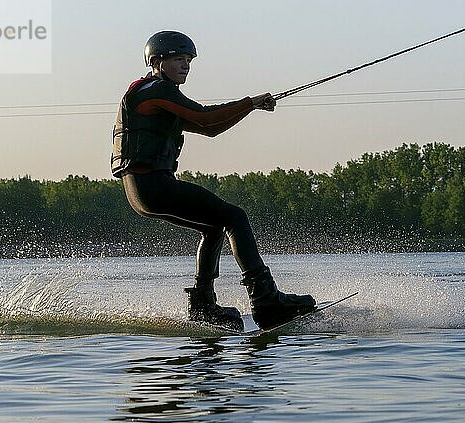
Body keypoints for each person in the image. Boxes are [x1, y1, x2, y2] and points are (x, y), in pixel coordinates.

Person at [111, 30, 316, 331]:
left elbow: (210, 129)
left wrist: (251, 108)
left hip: (142, 191)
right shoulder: (154, 91)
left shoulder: (159, 95)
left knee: (213, 226)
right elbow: (207, 119)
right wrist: (250, 102)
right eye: (178, 59)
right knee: (235, 216)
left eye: (189, 60)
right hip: (152, 185)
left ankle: (203, 306)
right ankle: (265, 299)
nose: (186, 66)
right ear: (156, 62)